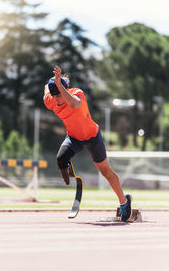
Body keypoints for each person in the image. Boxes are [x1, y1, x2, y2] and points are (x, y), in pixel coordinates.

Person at [43, 66, 132, 221]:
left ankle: (124, 202)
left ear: (66, 89)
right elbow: (46, 90)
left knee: (106, 172)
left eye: (59, 94)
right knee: (61, 159)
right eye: (54, 95)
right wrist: (53, 83)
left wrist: (59, 85)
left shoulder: (77, 94)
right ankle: (69, 172)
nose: (57, 98)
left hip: (92, 137)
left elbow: (73, 104)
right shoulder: (50, 100)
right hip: (74, 138)